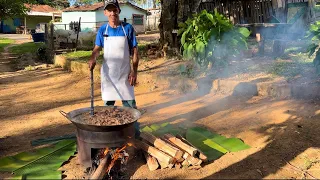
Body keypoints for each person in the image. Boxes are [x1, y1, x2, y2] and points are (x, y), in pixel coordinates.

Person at [88, 0, 139, 110]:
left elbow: (134, 50)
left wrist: (134, 71)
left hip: (125, 74)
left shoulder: (127, 28)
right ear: (105, 13)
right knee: (108, 109)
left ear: (119, 11)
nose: (112, 13)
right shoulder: (102, 30)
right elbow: (97, 48)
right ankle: (109, 128)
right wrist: (93, 58)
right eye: (109, 10)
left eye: (114, 10)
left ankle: (133, 128)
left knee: (131, 108)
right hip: (108, 75)